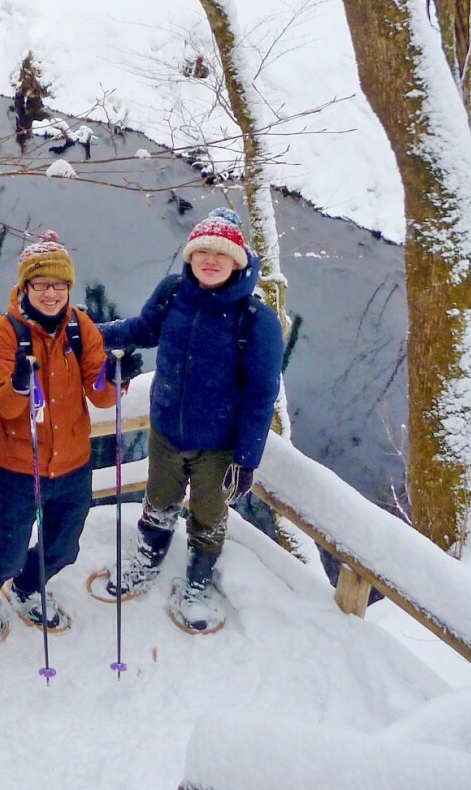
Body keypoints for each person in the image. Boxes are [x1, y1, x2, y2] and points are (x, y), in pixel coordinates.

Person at [99, 207, 283, 632]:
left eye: (221, 254)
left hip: (218, 444)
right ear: (191, 256)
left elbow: (261, 395)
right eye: (203, 252)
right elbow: (142, 330)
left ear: (237, 261)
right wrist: (88, 330)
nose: (210, 261)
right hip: (166, 430)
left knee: (208, 514)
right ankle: (148, 555)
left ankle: (198, 579)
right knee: (159, 500)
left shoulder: (257, 322)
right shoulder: (173, 293)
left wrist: (247, 459)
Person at [0, 230, 118, 641]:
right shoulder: (6, 333)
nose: (50, 294)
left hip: (73, 463)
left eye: (59, 285)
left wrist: (116, 378)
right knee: (8, 550)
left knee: (64, 548)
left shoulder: (80, 327)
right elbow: (5, 405)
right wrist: (18, 385)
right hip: (18, 465)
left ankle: (28, 586)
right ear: (26, 286)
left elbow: (101, 396)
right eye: (41, 284)